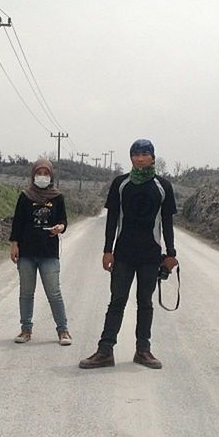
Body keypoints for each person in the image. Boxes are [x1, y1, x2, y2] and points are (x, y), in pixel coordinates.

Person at [79, 139, 177, 370]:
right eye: (136, 154)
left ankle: (143, 351)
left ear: (153, 157)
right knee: (117, 301)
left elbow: (167, 221)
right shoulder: (120, 184)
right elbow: (112, 219)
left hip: (151, 255)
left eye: (145, 153)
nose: (140, 158)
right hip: (123, 254)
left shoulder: (163, 186)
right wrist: (107, 250)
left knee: (145, 303)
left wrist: (171, 254)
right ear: (131, 157)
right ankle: (105, 351)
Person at [9, 159, 71, 345]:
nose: (42, 176)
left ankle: (63, 330)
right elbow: (17, 222)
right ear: (33, 174)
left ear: (51, 175)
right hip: (27, 252)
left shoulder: (57, 197)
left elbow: (64, 221)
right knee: (26, 292)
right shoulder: (25, 196)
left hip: (49, 252)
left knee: (54, 292)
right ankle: (25, 330)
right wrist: (14, 244)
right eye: (39, 173)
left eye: (46, 173)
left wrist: (60, 227)